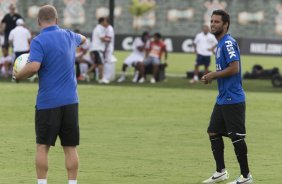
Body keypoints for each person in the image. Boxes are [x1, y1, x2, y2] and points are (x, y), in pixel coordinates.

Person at [12, 5, 86, 184]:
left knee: (43, 146)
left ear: (38, 22)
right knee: (70, 147)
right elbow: (83, 38)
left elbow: (33, 67)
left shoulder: (39, 41)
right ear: (57, 20)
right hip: (70, 101)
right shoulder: (69, 35)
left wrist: (17, 76)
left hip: (48, 103)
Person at [201, 10, 253, 184]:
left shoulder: (228, 43)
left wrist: (213, 74)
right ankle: (221, 171)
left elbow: (234, 68)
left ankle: (246, 176)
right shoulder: (220, 44)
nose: (213, 24)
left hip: (233, 98)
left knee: (237, 136)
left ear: (225, 24)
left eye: (216, 21)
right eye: (211, 21)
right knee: (213, 131)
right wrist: (212, 76)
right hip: (223, 98)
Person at [88, 17, 111, 84]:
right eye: (106, 21)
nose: (108, 23)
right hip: (98, 48)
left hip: (96, 48)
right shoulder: (99, 28)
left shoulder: (100, 28)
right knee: (101, 64)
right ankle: (102, 78)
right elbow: (102, 39)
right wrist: (108, 40)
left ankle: (85, 75)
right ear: (102, 21)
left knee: (96, 64)